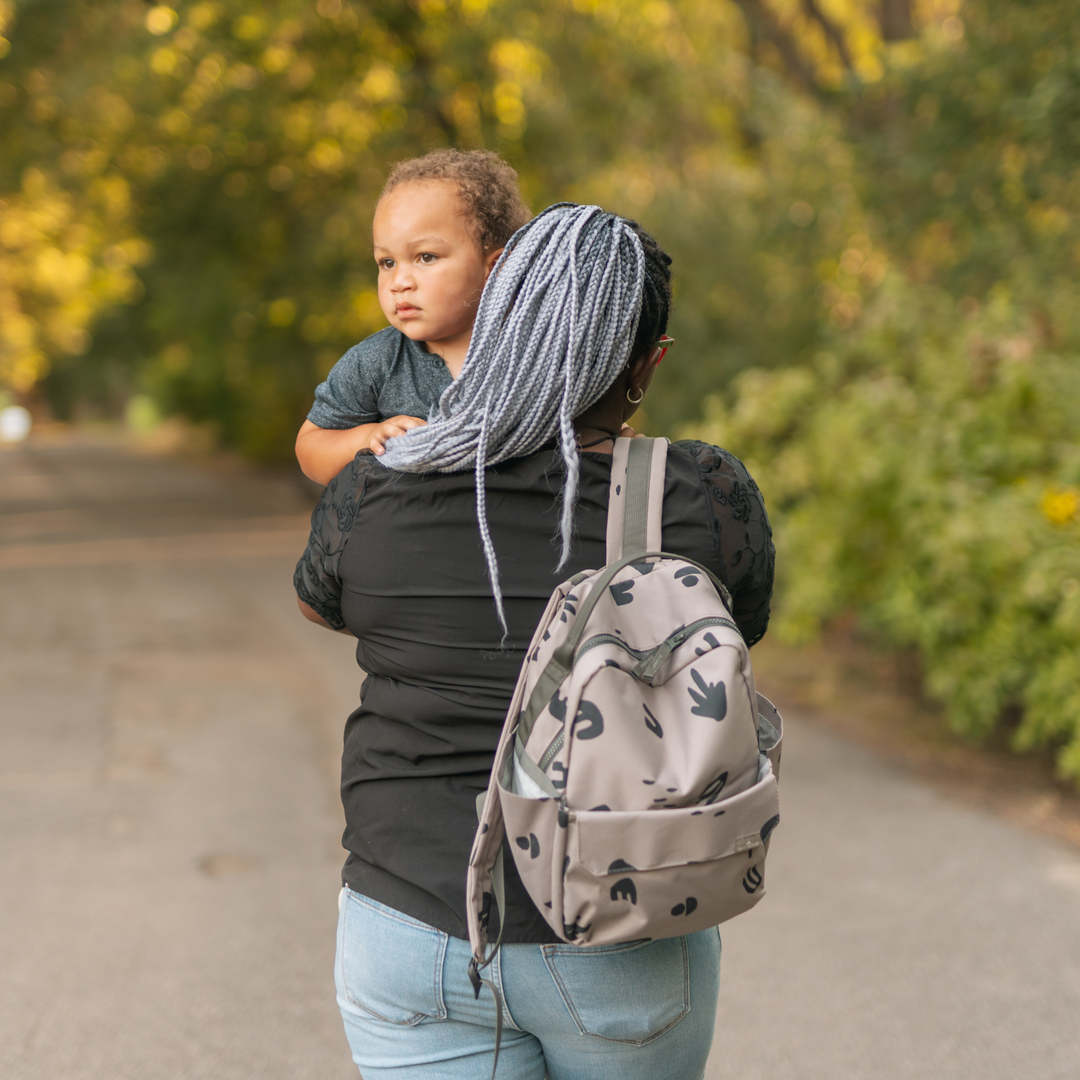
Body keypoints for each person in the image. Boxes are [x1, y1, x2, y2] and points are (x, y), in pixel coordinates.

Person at [293, 204, 774, 1080]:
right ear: (648, 364)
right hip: (621, 928)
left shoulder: (374, 485)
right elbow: (730, 634)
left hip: (407, 927)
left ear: (492, 320)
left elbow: (325, 605)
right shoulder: (697, 493)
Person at [295, 148, 531, 484]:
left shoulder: (531, 353)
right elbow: (311, 446)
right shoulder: (375, 362)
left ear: (494, 268)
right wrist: (365, 438)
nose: (399, 282)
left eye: (425, 257)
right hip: (408, 531)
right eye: (387, 263)